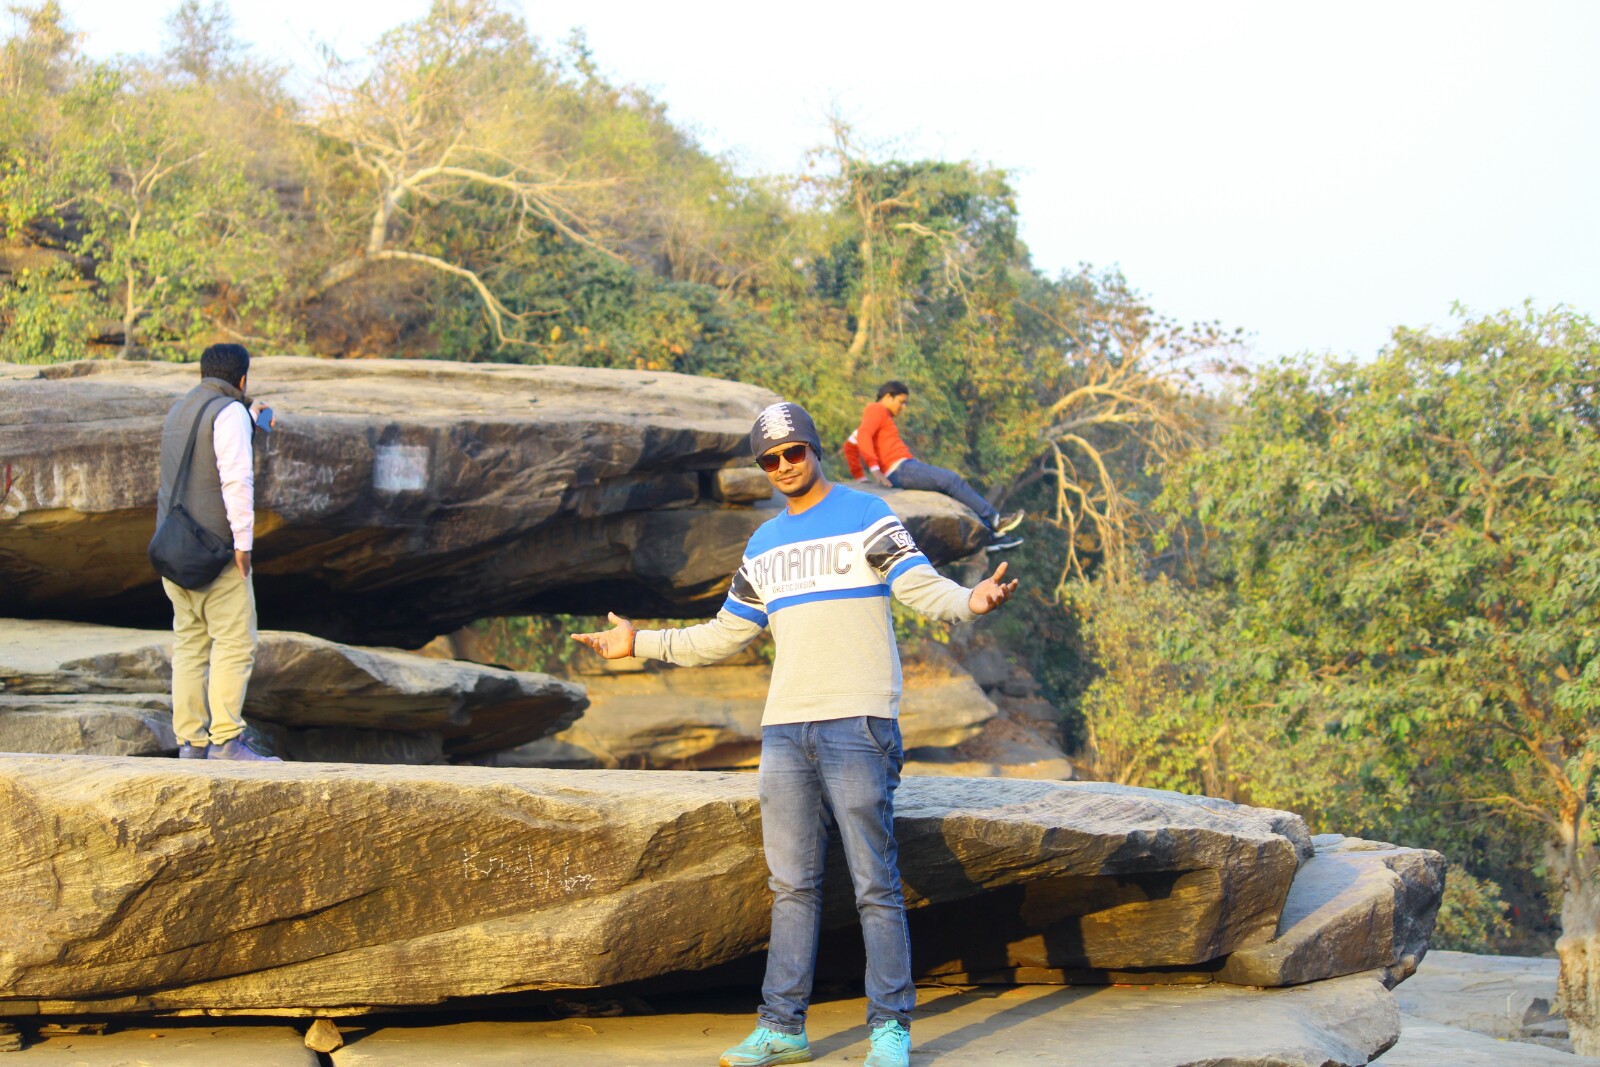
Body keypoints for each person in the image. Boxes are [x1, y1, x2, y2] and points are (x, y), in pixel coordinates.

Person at [573, 402, 1019, 1067]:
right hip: (785, 732)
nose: (784, 465)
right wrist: (639, 640)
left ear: (814, 450)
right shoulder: (763, 544)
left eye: (793, 452)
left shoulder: (867, 516)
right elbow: (723, 634)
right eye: (770, 458)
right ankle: (783, 1025)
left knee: (874, 882)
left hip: (859, 722)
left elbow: (920, 586)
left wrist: (969, 598)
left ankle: (890, 1030)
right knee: (792, 885)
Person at [156, 343, 280, 762]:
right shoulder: (227, 415)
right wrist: (243, 544)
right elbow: (237, 480)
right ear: (241, 379)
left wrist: (248, 410)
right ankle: (227, 741)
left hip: (174, 551)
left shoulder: (180, 410)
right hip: (215, 552)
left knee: (190, 645)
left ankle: (190, 743)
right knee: (234, 642)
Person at [854, 381, 1024, 550]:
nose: (903, 407)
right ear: (888, 397)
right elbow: (864, 435)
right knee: (950, 480)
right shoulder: (876, 409)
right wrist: (874, 468)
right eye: (901, 401)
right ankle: (995, 519)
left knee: (950, 489)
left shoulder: (884, 416)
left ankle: (991, 537)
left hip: (904, 466)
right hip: (900, 468)